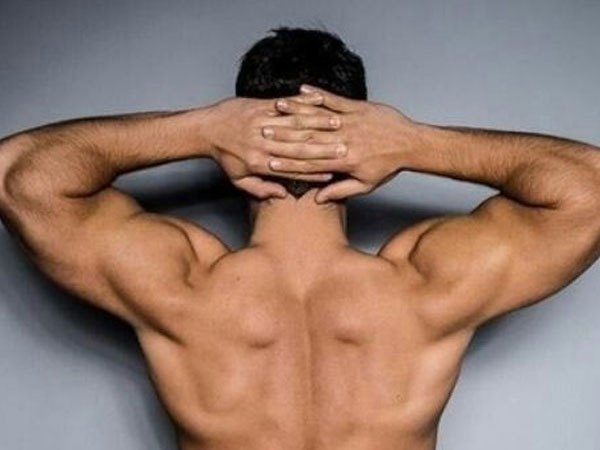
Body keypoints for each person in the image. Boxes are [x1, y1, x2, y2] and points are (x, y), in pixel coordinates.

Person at [0, 27, 599, 450]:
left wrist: (199, 129)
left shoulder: (184, 288)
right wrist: (414, 143)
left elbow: (18, 176)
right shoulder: (423, 289)